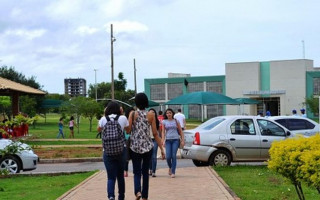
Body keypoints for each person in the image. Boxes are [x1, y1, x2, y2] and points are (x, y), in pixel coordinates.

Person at [127, 93, 165, 200]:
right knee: (145, 172)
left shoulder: (132, 114)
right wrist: (162, 149)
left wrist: (130, 123)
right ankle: (145, 196)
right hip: (148, 146)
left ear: (136, 102)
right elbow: (155, 133)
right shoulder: (151, 115)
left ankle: (137, 191)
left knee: (136, 171)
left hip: (135, 146)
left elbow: (128, 130)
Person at [98, 101, 129, 200]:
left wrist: (104, 115)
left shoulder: (103, 119)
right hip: (121, 150)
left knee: (111, 177)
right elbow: (128, 130)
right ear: (119, 109)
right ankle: (121, 196)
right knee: (120, 176)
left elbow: (98, 129)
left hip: (107, 151)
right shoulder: (123, 118)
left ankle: (111, 196)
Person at [162, 108, 184, 178]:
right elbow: (163, 132)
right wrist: (163, 140)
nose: (168, 114)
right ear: (166, 114)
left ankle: (173, 172)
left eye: (170, 113)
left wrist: (182, 140)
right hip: (168, 140)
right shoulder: (164, 121)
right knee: (168, 156)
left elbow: (180, 131)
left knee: (173, 155)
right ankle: (170, 167)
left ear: (172, 114)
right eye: (167, 113)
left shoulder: (176, 121)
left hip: (175, 140)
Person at [148, 108, 160, 177]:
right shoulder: (146, 121)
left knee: (154, 156)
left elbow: (158, 132)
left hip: (155, 139)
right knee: (148, 156)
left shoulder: (157, 122)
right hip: (148, 139)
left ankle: (153, 171)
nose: (152, 114)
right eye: (150, 112)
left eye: (153, 112)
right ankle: (150, 169)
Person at [124, 107, 135, 178]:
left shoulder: (136, 120)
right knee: (126, 156)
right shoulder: (125, 120)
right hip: (126, 138)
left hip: (134, 139)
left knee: (135, 156)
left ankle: (135, 171)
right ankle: (125, 171)